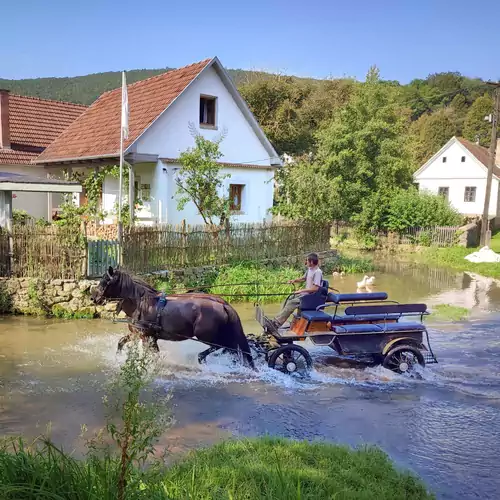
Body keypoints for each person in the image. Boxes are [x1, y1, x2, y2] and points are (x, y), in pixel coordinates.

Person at [265, 253, 323, 333]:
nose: (305, 262)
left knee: (292, 302)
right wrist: (294, 280)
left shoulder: (317, 272)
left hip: (311, 298)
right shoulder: (310, 269)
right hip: (306, 295)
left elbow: (315, 288)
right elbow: (304, 278)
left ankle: (277, 323)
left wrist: (301, 290)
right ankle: (278, 320)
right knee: (289, 298)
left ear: (312, 262)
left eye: (307, 260)